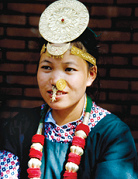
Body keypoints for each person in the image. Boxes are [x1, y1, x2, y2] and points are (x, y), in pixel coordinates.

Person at [0, 0, 137, 178]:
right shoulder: (19, 126)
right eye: (47, 67)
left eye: (69, 69)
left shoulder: (112, 134)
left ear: (91, 75)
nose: (56, 80)